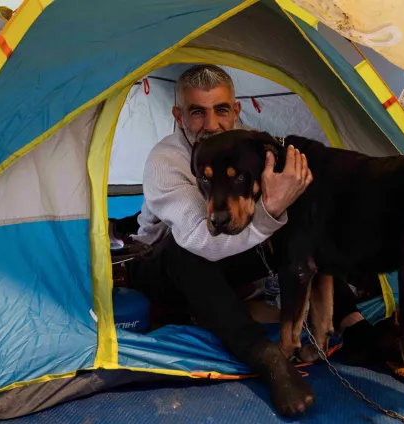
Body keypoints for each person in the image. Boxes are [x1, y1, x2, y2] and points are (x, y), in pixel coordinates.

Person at [125, 64, 317, 416]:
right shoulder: (166, 160)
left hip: (225, 258)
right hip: (158, 263)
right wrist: (271, 209)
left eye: (221, 110)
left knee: (300, 224)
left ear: (236, 111)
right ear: (178, 114)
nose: (211, 124)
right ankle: (267, 357)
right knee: (186, 249)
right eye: (197, 112)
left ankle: (354, 324)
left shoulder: (250, 144)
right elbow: (201, 240)